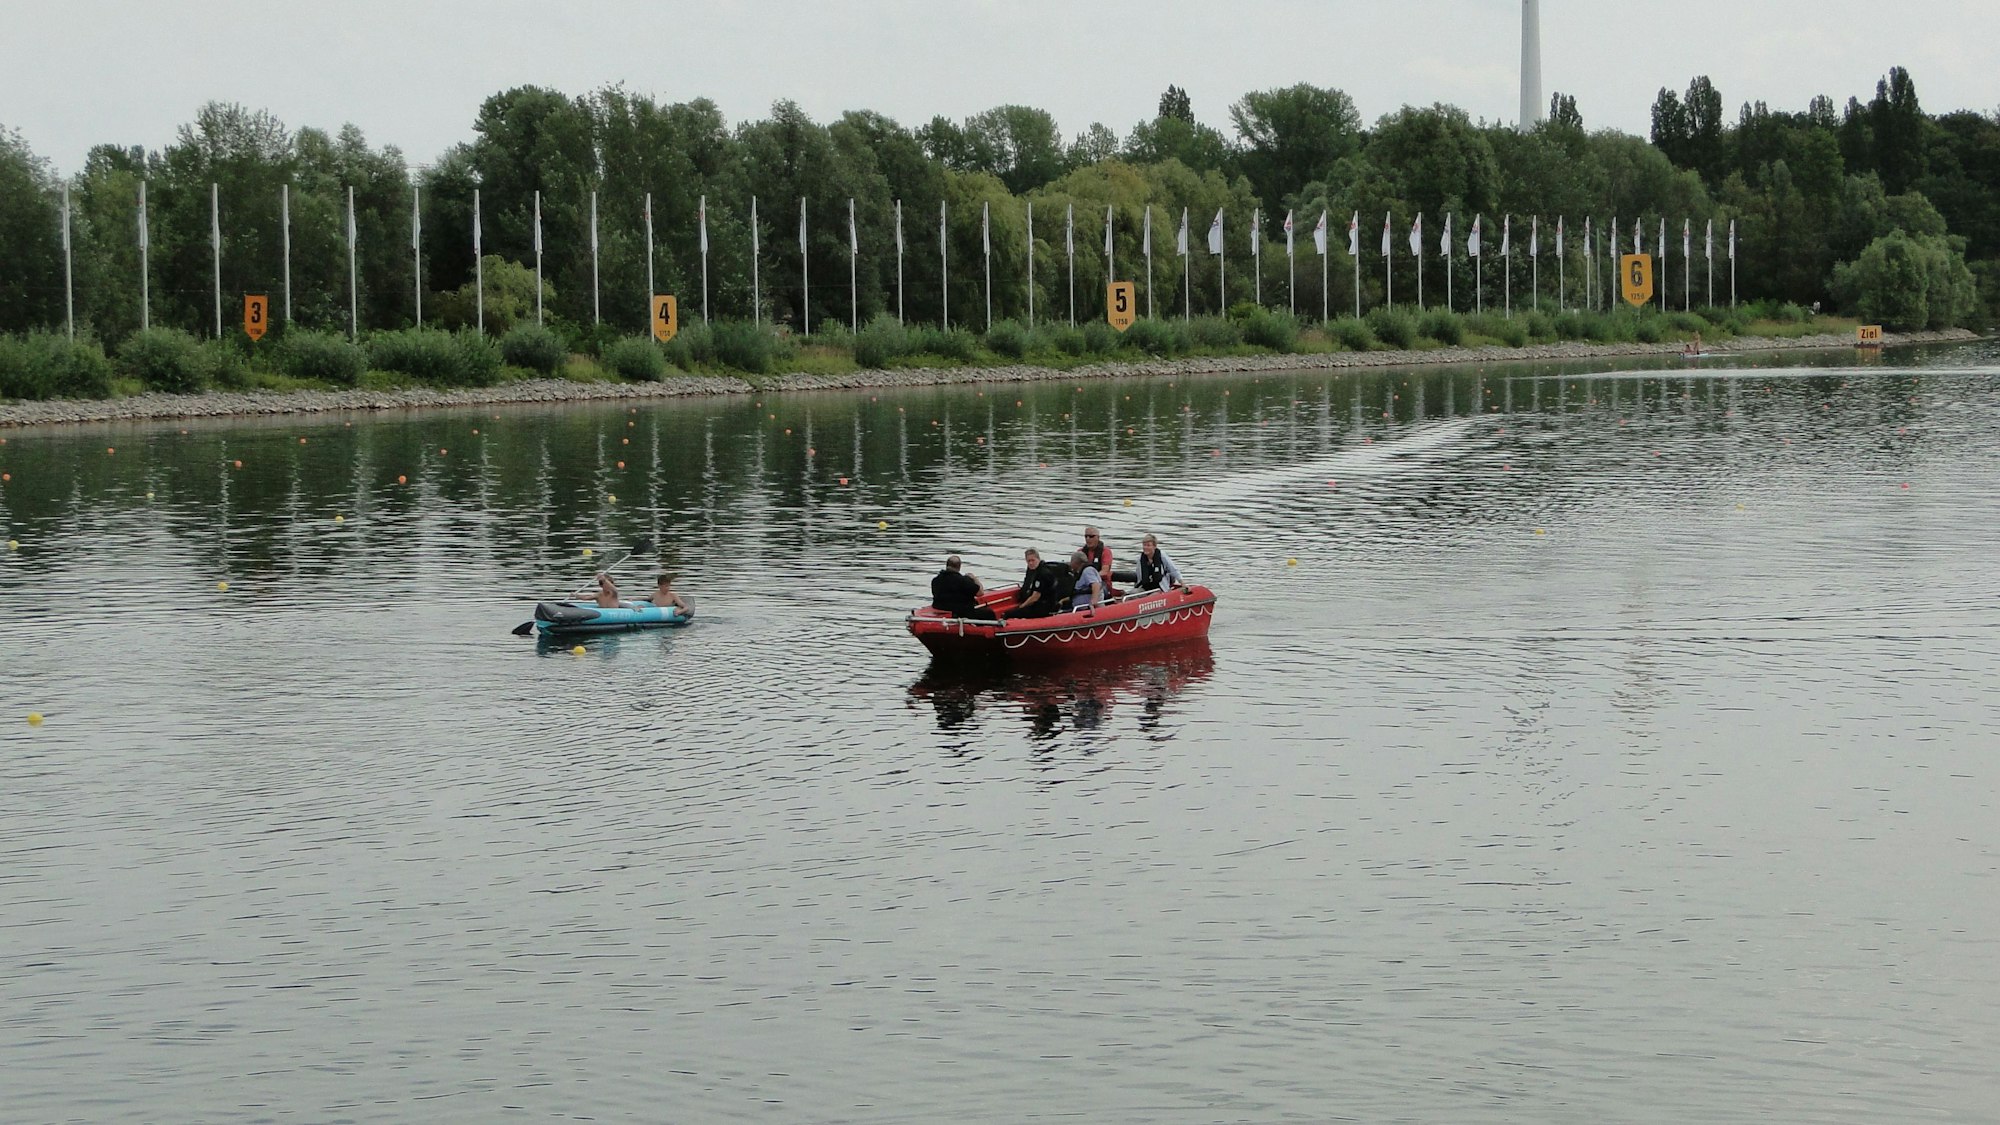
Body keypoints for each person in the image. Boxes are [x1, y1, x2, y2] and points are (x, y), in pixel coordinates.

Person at [931, 555, 997, 621]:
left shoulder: (935, 580)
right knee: (989, 613)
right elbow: (980, 593)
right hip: (961, 613)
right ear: (959, 567)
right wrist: (974, 578)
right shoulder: (963, 581)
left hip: (940, 608)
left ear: (947, 565)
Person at [1013, 548, 1067, 618]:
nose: (1031, 563)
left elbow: (1035, 597)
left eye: (1033, 560)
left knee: (1009, 614)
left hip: (1044, 606)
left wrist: (1021, 607)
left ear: (1038, 559)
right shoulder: (1033, 571)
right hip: (1039, 604)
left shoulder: (1042, 574)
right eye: (1029, 561)